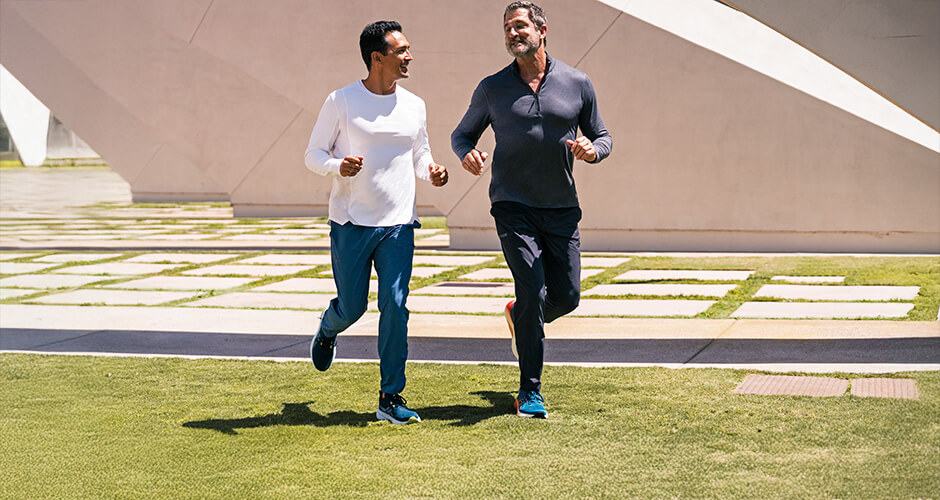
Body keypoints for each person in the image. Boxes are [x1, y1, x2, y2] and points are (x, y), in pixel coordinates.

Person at [451, 1, 612, 419]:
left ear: (542, 30)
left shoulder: (577, 82)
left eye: (520, 25)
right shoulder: (492, 88)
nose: (512, 33)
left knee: (568, 297)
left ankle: (519, 315)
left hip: (561, 206)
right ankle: (529, 391)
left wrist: (592, 150)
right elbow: (462, 134)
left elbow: (602, 135)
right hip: (512, 205)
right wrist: (467, 154)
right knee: (533, 289)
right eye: (507, 28)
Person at [304, 20, 448, 425]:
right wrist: (338, 166)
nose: (409, 56)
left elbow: (419, 154)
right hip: (351, 222)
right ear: (377, 58)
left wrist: (432, 171)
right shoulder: (341, 101)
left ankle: (390, 396)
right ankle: (329, 327)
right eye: (401, 51)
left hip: (399, 223)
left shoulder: (415, 105)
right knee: (353, 308)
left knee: (396, 306)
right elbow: (313, 155)